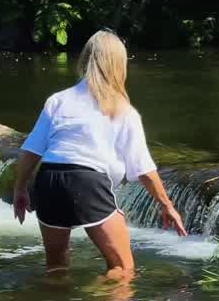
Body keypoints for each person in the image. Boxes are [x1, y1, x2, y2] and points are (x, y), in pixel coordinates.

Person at [12, 30, 187, 278]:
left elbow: (31, 150)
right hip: (87, 183)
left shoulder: (58, 100)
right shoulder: (122, 109)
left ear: (85, 60)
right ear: (118, 65)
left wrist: (20, 189)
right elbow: (143, 168)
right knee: (123, 270)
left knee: (56, 267)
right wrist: (167, 205)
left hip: (48, 179)